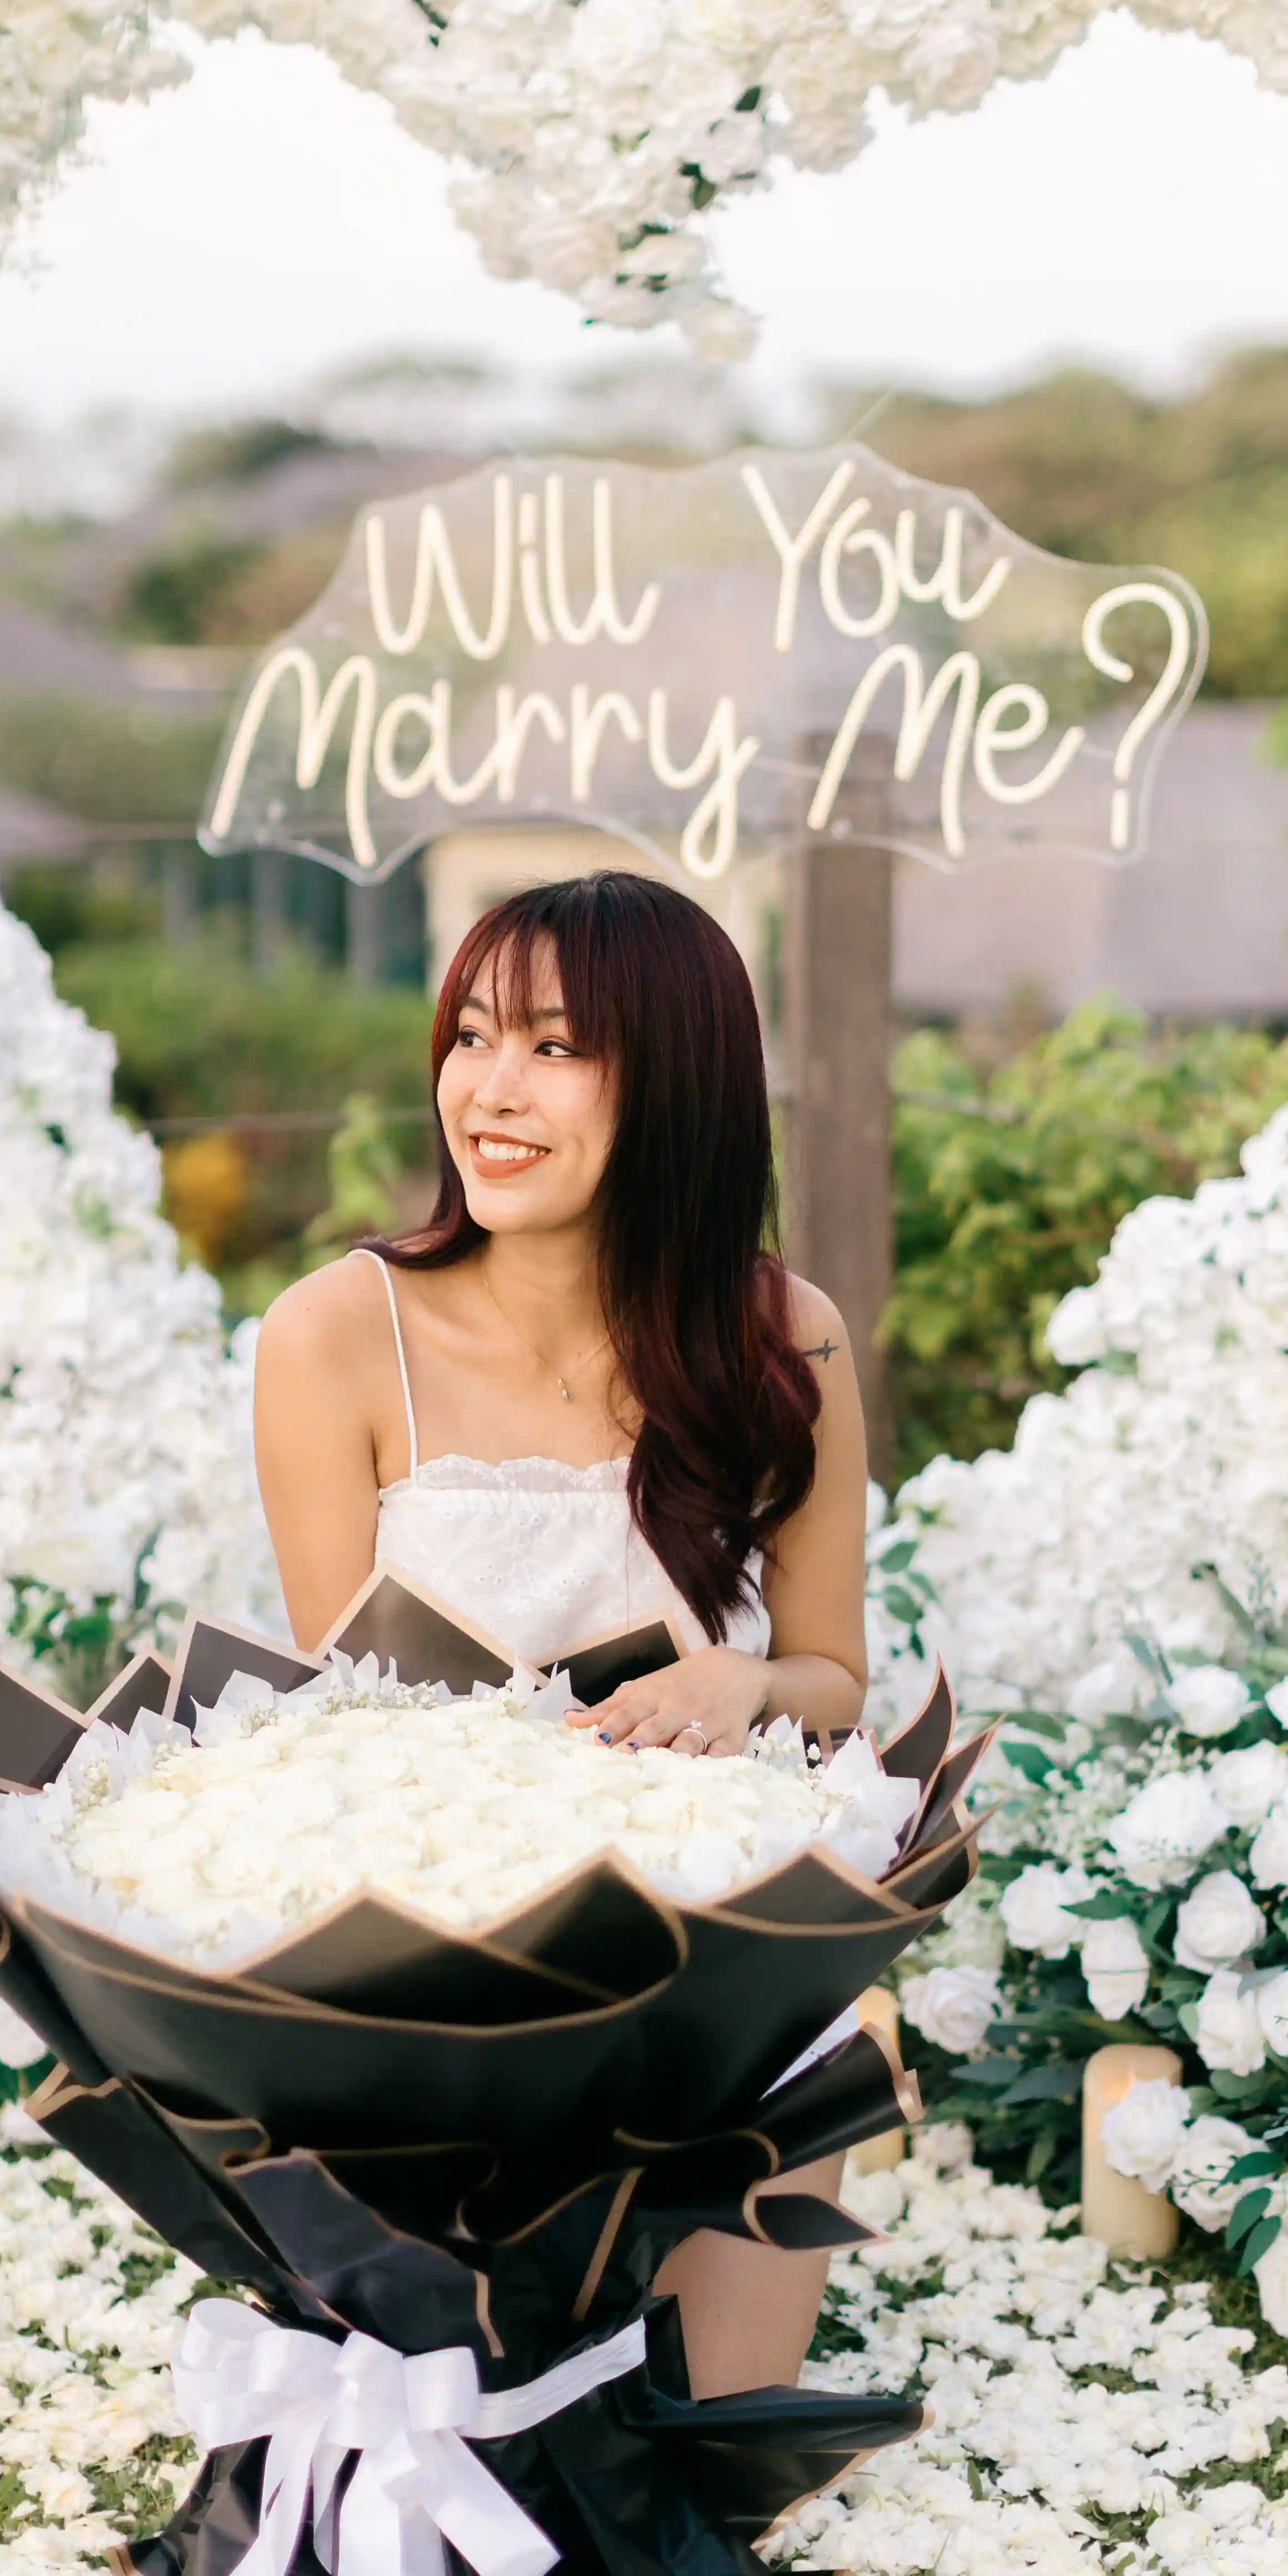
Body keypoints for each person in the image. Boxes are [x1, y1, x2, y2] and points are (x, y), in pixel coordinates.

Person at [252, 869, 871, 2397]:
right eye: (471, 1036)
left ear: (674, 1079)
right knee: (475, 2429)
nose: (491, 1089)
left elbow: (836, 1683)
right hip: (432, 1944)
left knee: (712, 2449)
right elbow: (345, 1722)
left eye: (555, 1045)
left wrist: (744, 1684)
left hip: (703, 1940)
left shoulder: (784, 1338)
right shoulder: (335, 1336)